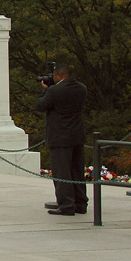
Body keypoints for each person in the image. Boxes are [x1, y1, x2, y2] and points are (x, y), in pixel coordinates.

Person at [36, 63, 89, 216]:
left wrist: (44, 90)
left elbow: (40, 105)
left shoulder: (54, 90)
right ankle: (80, 203)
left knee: (62, 172)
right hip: (77, 134)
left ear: (59, 76)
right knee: (77, 171)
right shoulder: (81, 88)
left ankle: (66, 205)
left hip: (60, 136)